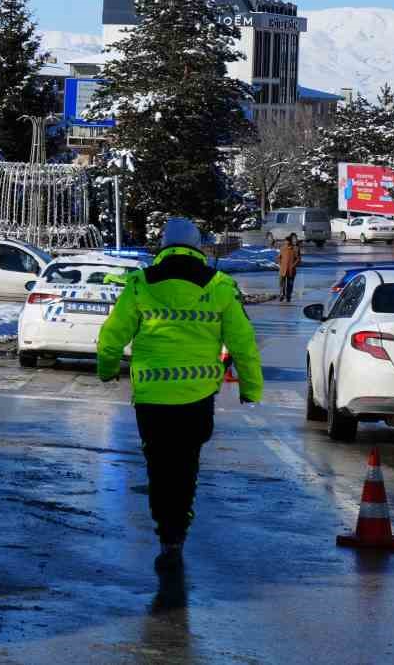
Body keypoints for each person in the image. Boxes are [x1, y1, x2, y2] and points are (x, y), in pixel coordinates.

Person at [96, 218, 264, 573]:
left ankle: (164, 528)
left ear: (163, 245)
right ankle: (178, 531)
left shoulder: (140, 284)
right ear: (197, 246)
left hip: (152, 399)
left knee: (158, 465)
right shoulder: (219, 286)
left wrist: (107, 369)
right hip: (197, 397)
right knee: (186, 464)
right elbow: (243, 343)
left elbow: (111, 336)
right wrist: (250, 388)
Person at [277, 233, 302, 303]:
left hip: (291, 270)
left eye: (288, 241)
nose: (286, 243)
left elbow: (298, 259)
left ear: (290, 242)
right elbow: (279, 257)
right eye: (285, 241)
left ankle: (288, 296)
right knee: (281, 284)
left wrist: (293, 265)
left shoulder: (295, 249)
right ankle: (282, 295)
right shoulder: (282, 248)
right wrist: (280, 264)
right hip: (282, 270)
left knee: (290, 284)